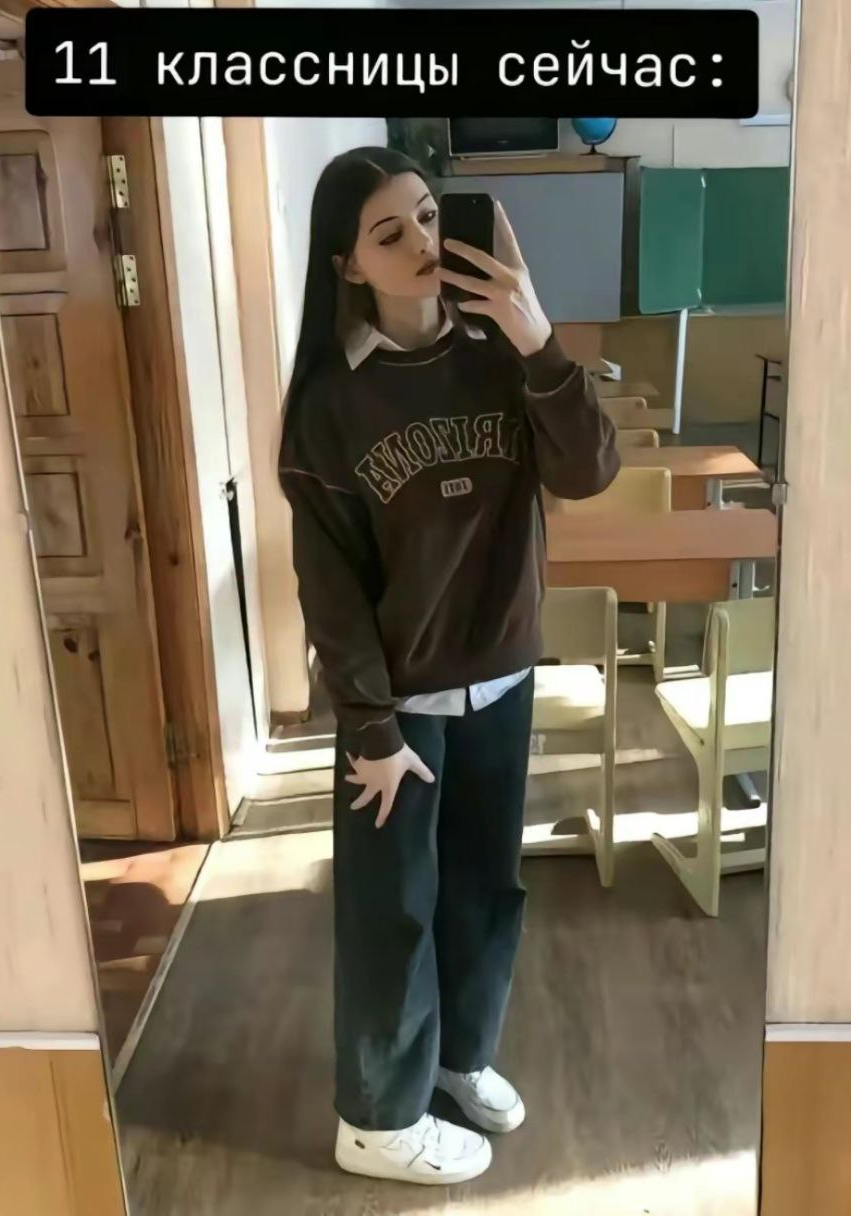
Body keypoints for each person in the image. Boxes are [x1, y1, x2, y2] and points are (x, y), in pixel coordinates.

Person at [277, 146, 618, 1186]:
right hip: (401, 705)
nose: (423, 243)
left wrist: (537, 337)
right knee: (394, 908)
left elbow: (588, 471)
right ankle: (378, 1118)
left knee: (483, 889)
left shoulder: (501, 355)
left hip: (502, 677)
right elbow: (330, 588)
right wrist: (370, 726)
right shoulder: (331, 404)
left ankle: (459, 1057)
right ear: (347, 264)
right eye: (391, 233)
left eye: (428, 216)